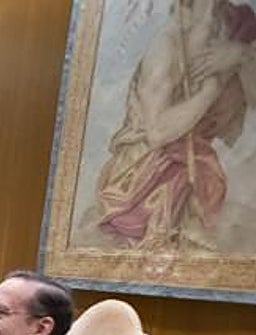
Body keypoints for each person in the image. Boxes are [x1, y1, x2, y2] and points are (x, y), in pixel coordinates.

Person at [95, 0, 256, 250]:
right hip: (145, 179)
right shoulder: (167, 47)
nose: (212, 24)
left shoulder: (234, 36)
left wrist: (241, 55)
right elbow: (158, 134)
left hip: (197, 172)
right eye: (206, 13)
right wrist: (208, 93)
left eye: (216, 16)